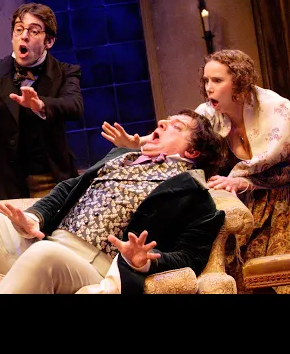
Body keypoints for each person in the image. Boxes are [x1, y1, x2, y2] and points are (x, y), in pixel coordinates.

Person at [0, 109, 226, 294]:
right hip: (50, 241)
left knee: (44, 254)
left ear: (192, 151)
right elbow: (68, 188)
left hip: (96, 266)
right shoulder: (122, 157)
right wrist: (34, 219)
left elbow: (192, 256)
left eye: (176, 127)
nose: (162, 124)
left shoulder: (196, 197)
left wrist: (145, 261)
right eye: (164, 121)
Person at [101, 49, 290, 293]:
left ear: (239, 81)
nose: (209, 88)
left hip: (283, 200)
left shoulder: (278, 111)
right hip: (251, 202)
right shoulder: (211, 113)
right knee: (248, 279)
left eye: (217, 80)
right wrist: (136, 143)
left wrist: (249, 182)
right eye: (206, 80)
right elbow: (183, 132)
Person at [0, 2, 83, 200]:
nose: (24, 36)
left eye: (34, 31)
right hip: (5, 182)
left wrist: (41, 105)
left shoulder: (66, 71)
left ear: (49, 41)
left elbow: (75, 106)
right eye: (19, 29)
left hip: (52, 181)